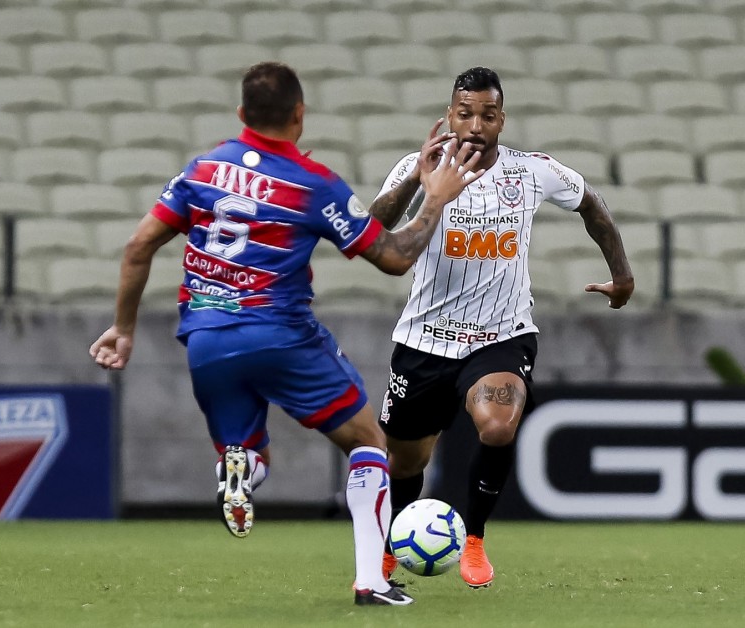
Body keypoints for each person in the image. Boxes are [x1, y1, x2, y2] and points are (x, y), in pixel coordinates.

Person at [89, 61, 485, 606]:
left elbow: (138, 247)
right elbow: (393, 258)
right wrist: (434, 196)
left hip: (205, 338)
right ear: (299, 114)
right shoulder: (312, 183)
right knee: (368, 444)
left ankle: (242, 468)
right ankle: (371, 581)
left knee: (250, 452)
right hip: (280, 335)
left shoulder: (202, 170)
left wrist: (123, 329)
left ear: (240, 114)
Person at [367, 67, 635, 589]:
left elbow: (594, 209)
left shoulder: (531, 172)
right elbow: (373, 227)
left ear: (501, 120)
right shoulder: (417, 166)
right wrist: (416, 181)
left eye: (487, 115)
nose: (475, 124)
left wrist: (622, 275)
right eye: (464, 113)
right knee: (405, 463)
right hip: (424, 339)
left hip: (501, 334)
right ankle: (389, 550)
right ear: (449, 116)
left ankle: (473, 538)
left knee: (497, 424)